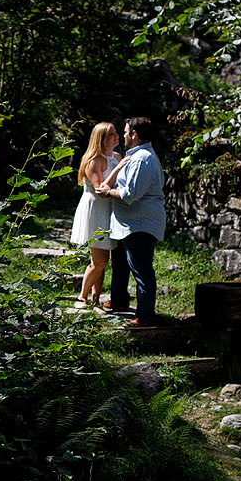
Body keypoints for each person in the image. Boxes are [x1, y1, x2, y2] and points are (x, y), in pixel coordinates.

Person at [96, 115, 165, 329]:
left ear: (134, 134)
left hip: (140, 224)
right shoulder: (134, 156)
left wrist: (108, 192)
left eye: (125, 132)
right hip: (126, 224)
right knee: (121, 265)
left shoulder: (143, 158)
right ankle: (119, 301)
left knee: (141, 270)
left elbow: (130, 194)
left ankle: (145, 317)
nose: (123, 136)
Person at [69, 121, 127, 307]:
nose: (116, 136)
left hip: (110, 209)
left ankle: (96, 299)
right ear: (101, 138)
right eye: (111, 134)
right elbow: (101, 189)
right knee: (99, 260)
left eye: (116, 132)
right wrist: (117, 169)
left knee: (104, 258)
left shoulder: (116, 156)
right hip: (96, 209)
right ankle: (82, 297)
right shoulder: (93, 161)